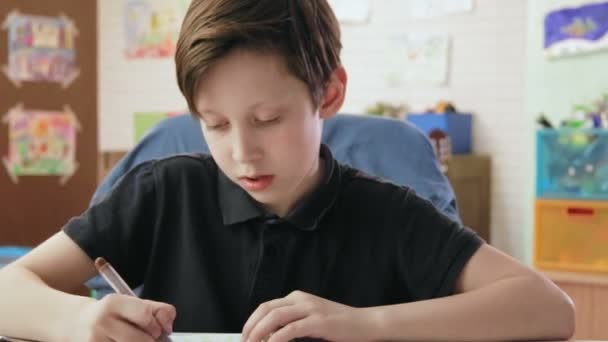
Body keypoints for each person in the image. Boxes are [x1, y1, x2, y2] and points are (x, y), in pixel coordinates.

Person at [0, 1, 574, 341]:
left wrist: (365, 325)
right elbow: (8, 288)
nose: (243, 153)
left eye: (268, 118)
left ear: (329, 92)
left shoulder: (387, 212)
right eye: (215, 124)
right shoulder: (164, 191)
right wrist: (80, 320)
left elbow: (550, 309)